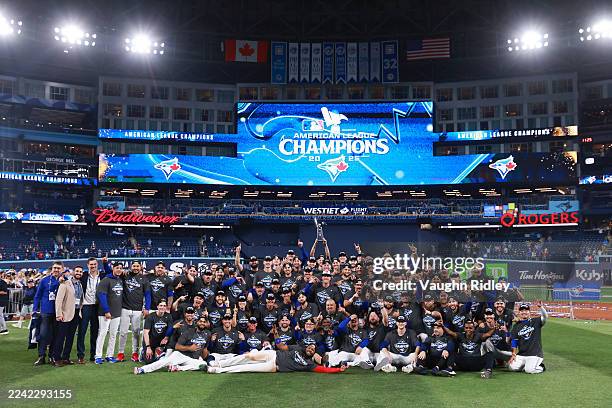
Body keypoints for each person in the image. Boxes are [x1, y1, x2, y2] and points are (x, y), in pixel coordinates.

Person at [134, 315, 210, 374]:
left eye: (204, 322)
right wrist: (189, 348)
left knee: (203, 364)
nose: (202, 323)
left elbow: (205, 350)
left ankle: (177, 368)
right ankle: (142, 369)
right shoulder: (188, 332)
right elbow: (177, 346)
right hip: (180, 355)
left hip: (191, 359)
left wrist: (203, 355)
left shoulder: (207, 334)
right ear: (197, 322)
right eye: (200, 321)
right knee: (163, 362)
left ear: (206, 324)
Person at [207, 344, 347, 374]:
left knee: (245, 368)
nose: (311, 349)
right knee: (248, 356)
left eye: (313, 350)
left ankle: (216, 371)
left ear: (314, 355)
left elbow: (323, 369)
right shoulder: (297, 347)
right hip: (273, 354)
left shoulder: (309, 365)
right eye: (310, 347)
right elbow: (282, 346)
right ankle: (219, 363)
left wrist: (338, 370)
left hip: (274, 367)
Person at [117, 261, 152, 362]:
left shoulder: (144, 279)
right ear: (131, 267)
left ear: (140, 267)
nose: (135, 268)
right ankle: (121, 353)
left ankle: (135, 353)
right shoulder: (125, 275)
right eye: (134, 266)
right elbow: (113, 272)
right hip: (125, 308)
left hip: (137, 309)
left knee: (136, 332)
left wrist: (147, 308)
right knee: (123, 332)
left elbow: (148, 295)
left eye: (137, 266)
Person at [77, 257, 108, 363]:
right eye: (91, 264)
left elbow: (110, 272)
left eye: (94, 264)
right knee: (82, 331)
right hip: (85, 306)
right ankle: (80, 355)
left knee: (95, 332)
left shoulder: (102, 276)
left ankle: (93, 355)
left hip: (97, 307)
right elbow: (74, 277)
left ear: (97, 265)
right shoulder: (84, 276)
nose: (93, 266)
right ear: (88, 265)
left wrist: (105, 263)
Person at [32, 261, 63, 365]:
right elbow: (37, 295)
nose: (56, 270)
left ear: (62, 269)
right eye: (55, 268)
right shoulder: (44, 281)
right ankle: (41, 356)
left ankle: (52, 356)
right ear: (52, 269)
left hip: (58, 312)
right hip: (45, 311)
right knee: (43, 335)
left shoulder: (64, 281)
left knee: (55, 335)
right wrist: (35, 309)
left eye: (58, 268)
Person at [95, 262, 124, 364]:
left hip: (117, 312)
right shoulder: (106, 280)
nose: (119, 270)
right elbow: (101, 295)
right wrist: (106, 311)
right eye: (117, 268)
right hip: (105, 313)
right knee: (102, 333)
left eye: (120, 268)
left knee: (113, 335)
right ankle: (98, 356)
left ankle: (109, 355)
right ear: (113, 268)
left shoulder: (120, 280)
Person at [508, 302, 548, 374]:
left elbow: (545, 317)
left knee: (529, 370)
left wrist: (541, 308)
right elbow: (514, 341)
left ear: (529, 312)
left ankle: (541, 366)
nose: (524, 312)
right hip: (522, 354)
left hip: (534, 353)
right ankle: (527, 365)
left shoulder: (535, 321)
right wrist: (514, 353)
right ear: (519, 312)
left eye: (526, 310)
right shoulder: (516, 326)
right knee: (511, 367)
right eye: (522, 311)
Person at [53, 269, 80, 367]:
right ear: (73, 273)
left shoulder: (80, 284)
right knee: (60, 337)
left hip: (76, 314)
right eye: (77, 271)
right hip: (65, 314)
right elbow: (58, 300)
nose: (79, 273)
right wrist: (59, 314)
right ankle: (56, 358)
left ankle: (66, 357)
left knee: (70, 337)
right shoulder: (64, 284)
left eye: (80, 272)